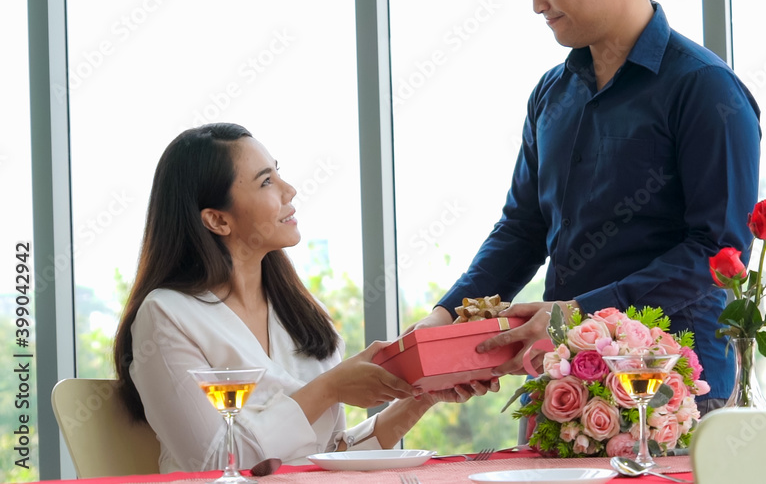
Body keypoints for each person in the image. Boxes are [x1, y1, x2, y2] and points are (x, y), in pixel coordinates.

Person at [410, 0, 761, 414]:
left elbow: (718, 253)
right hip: (563, 380)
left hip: (671, 385)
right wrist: (445, 317)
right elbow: (522, 230)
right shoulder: (551, 93)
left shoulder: (706, 90)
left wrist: (579, 312)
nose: (537, 4)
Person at [112, 123, 497, 472]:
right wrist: (330, 387)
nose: (289, 190)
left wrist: (420, 396)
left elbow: (331, 456)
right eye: (266, 182)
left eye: (278, 173)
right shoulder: (166, 317)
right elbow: (214, 464)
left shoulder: (301, 316)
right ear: (218, 220)